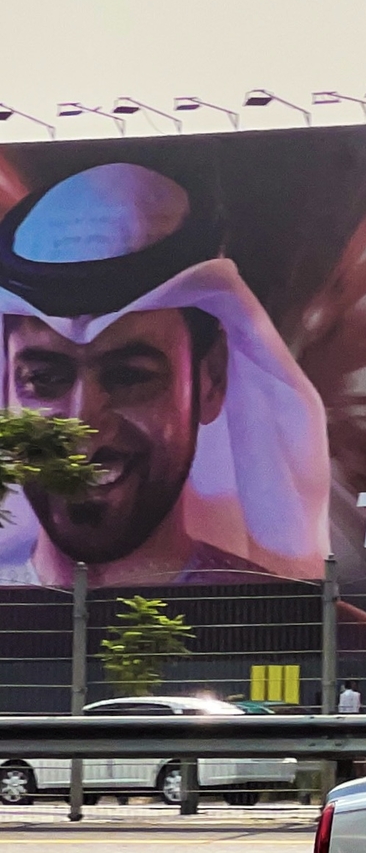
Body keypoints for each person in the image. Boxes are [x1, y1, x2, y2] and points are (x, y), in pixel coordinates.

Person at [0, 162, 329, 588]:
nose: (83, 426)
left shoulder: (296, 631)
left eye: (129, 376)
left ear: (210, 380)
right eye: (44, 380)